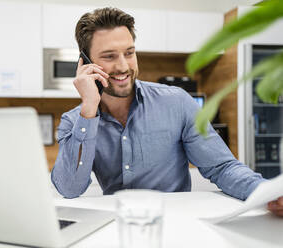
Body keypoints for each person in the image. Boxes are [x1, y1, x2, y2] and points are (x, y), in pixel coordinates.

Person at [51, 7, 283, 217]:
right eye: (109, 56)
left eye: (129, 53)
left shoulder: (177, 102)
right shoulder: (76, 120)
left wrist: (266, 193)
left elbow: (222, 167)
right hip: (118, 227)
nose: (123, 66)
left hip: (177, 224)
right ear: (86, 62)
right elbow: (69, 188)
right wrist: (89, 108)